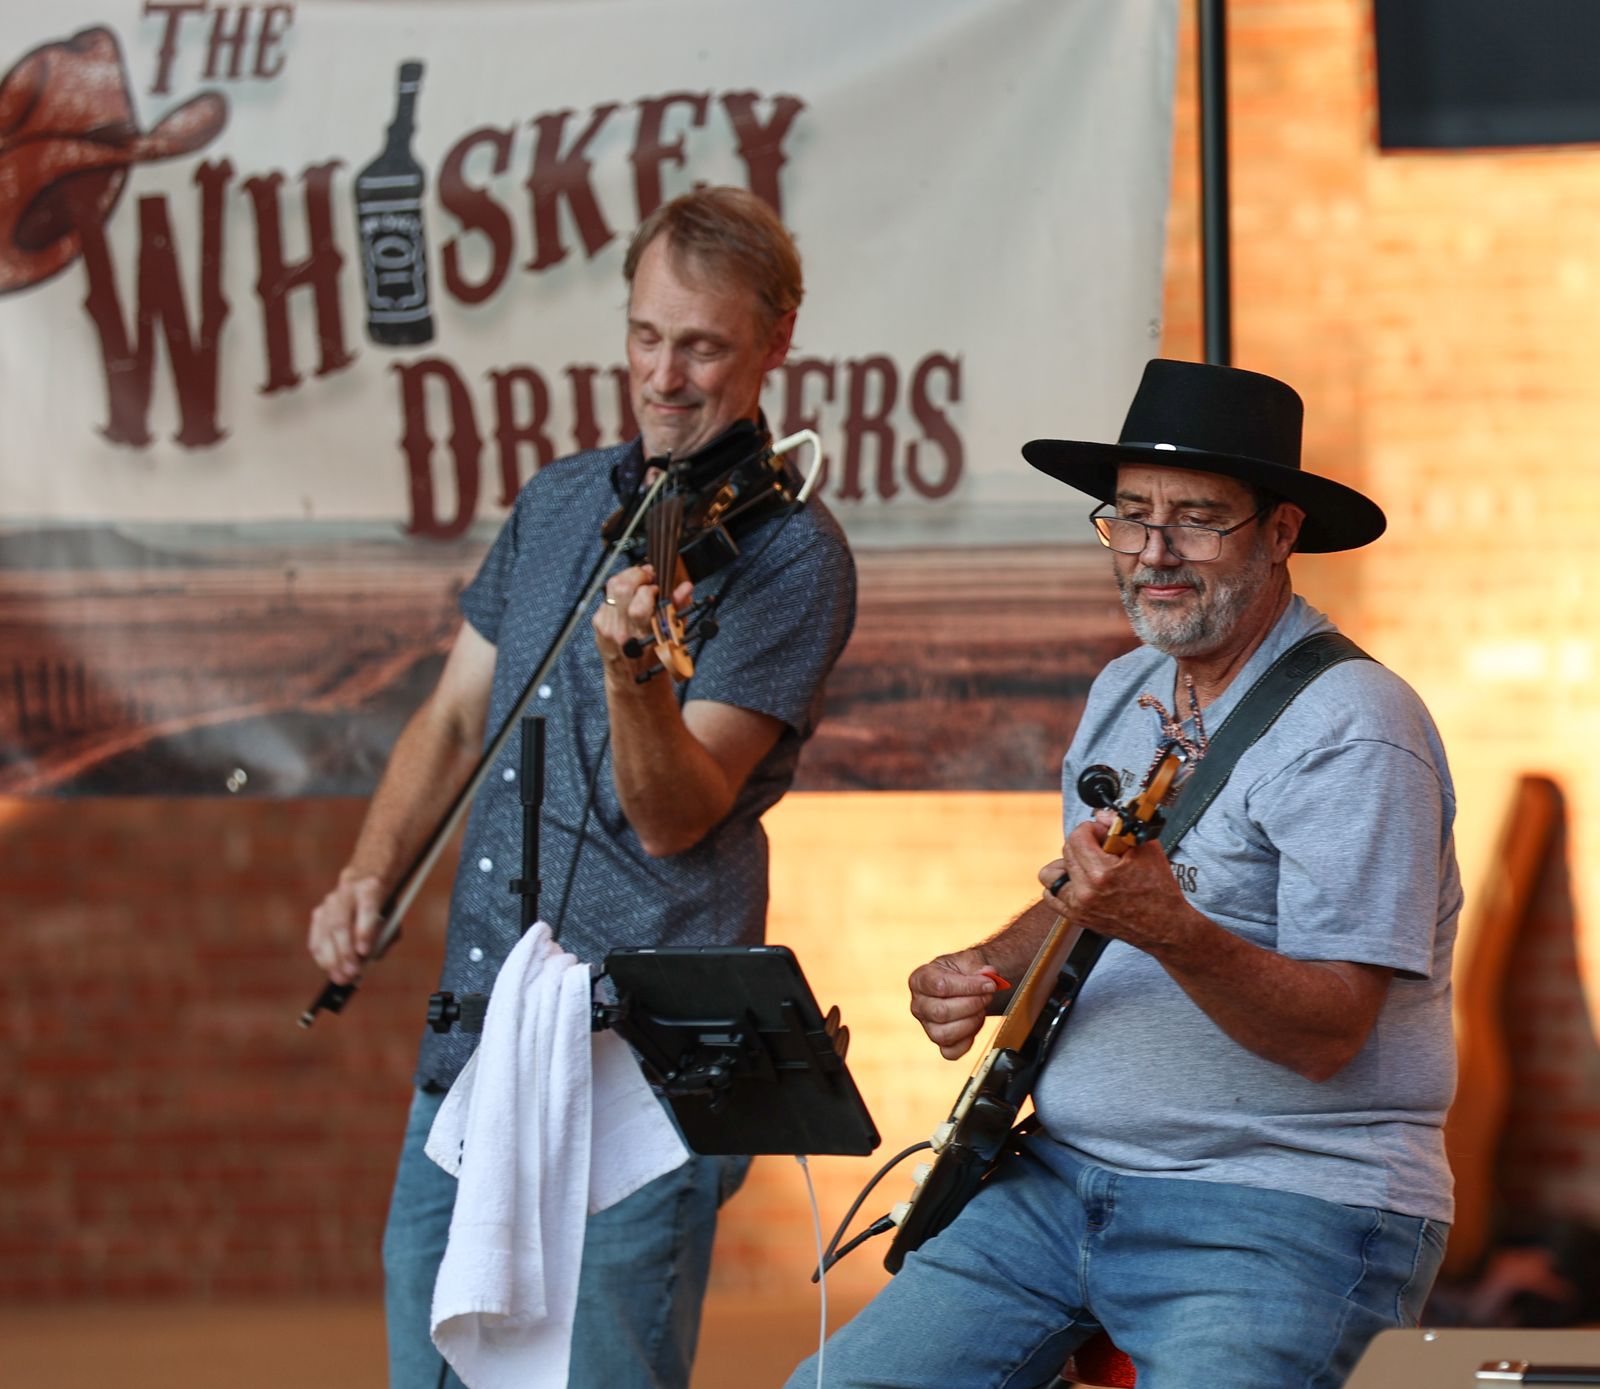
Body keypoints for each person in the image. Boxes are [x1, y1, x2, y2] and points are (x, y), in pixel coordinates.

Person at [790, 359, 1459, 1389]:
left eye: (1197, 520)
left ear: (1281, 532)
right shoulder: (1126, 685)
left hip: (1284, 1207)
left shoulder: (1357, 728)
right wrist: (989, 966)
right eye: (1131, 516)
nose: (1154, 552)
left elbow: (1329, 1034)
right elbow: (1092, 892)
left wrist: (1172, 928)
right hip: (1056, 1183)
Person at [308, 186, 856, 1389]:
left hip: (647, 1064)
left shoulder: (792, 554)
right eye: (645, 335)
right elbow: (454, 717)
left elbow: (674, 815)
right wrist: (368, 875)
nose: (664, 375)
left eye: (702, 346)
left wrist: (632, 675)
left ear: (776, 339)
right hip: (484, 1027)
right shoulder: (561, 502)